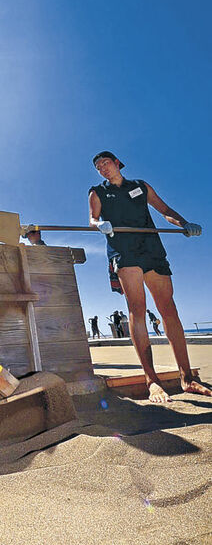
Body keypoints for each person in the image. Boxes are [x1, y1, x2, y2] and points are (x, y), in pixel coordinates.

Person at [89, 150, 211, 403]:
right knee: (137, 309)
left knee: (169, 309)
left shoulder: (140, 186)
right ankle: (152, 380)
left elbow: (164, 209)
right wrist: (98, 225)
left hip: (151, 249)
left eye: (106, 162)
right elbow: (93, 218)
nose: (103, 168)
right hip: (124, 250)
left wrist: (184, 223)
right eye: (98, 166)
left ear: (117, 163)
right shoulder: (97, 191)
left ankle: (187, 378)